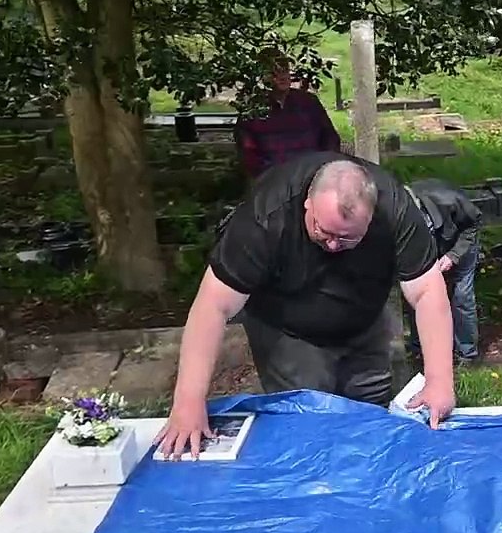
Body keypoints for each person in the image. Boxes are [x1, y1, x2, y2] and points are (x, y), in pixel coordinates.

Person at [155, 152, 458, 459]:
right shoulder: (266, 216)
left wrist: (439, 381)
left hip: (364, 319)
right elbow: (213, 304)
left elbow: (427, 291)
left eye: (347, 238)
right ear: (307, 204)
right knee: (310, 429)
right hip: (289, 329)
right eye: (323, 232)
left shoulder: (395, 208)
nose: (333, 246)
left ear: (370, 218)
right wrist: (188, 402)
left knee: (372, 421)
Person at [403, 178, 484, 366]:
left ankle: (467, 354)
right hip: (426, 248)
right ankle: (420, 349)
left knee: (461, 296)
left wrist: (453, 255)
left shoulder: (450, 200)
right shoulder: (399, 216)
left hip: (461, 240)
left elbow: (474, 223)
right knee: (414, 294)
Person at [233, 48, 342, 182]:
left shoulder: (308, 103)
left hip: (313, 180)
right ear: (262, 76)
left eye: (284, 70)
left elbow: (330, 139)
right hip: (273, 185)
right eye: (274, 72)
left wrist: (322, 169)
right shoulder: (252, 111)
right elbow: (249, 156)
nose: (282, 76)